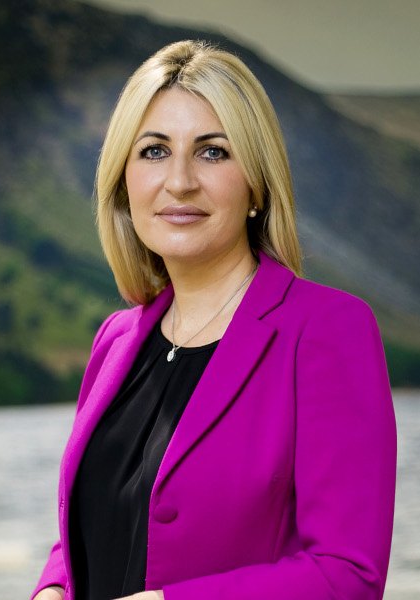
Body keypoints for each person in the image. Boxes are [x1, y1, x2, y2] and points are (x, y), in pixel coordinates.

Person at [31, 40, 396, 600]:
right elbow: (92, 527)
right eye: (153, 151)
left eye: (213, 152)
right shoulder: (115, 340)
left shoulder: (325, 330)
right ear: (124, 182)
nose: (179, 181)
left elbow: (347, 575)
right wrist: (52, 589)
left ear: (256, 184)